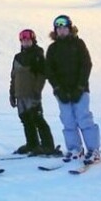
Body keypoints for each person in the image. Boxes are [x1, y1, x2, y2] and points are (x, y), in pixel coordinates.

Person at [45, 16, 100, 164]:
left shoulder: (78, 44)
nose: (61, 30)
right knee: (68, 120)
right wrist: (57, 88)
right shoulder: (53, 48)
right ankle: (75, 148)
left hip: (79, 89)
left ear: (70, 28)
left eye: (64, 27)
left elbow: (86, 65)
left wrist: (80, 86)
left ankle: (93, 149)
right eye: (59, 28)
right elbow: (49, 70)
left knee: (84, 118)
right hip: (62, 91)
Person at [9, 29, 61, 157]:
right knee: (25, 119)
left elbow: (42, 75)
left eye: (28, 40)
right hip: (20, 94)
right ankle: (32, 143)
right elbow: (14, 76)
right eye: (23, 40)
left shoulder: (37, 55)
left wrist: (37, 91)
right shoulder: (18, 57)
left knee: (37, 118)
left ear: (33, 40)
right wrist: (12, 93)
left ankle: (48, 145)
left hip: (32, 93)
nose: (26, 43)